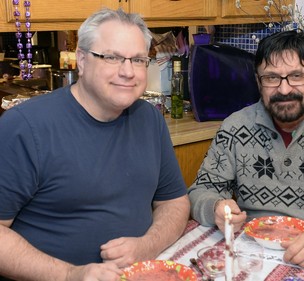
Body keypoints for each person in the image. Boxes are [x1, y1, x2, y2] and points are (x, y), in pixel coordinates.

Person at [0, 8, 190, 281]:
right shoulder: (25, 127)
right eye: (111, 57)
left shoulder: (149, 119)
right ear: (82, 60)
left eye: (138, 60)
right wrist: (70, 274)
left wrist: (146, 246)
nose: (128, 72)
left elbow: (174, 202)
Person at [188, 30, 304, 268]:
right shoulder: (235, 126)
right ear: (258, 82)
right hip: (250, 253)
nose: (284, 90)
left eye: (297, 76)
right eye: (271, 78)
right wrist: (214, 206)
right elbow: (200, 190)